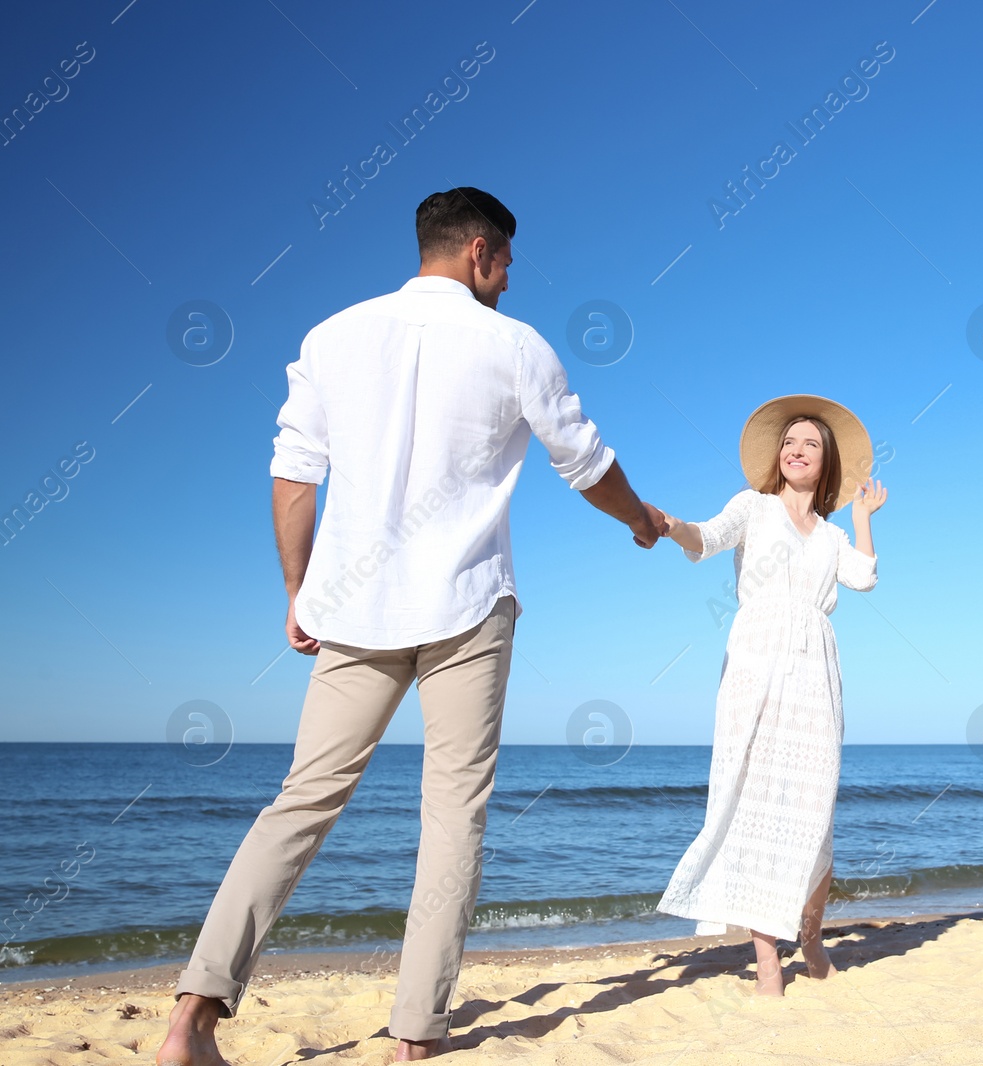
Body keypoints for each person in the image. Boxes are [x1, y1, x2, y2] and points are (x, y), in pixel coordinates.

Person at [158, 187, 666, 1065]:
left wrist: (295, 590)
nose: (509, 279)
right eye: (506, 262)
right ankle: (415, 1039)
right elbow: (584, 461)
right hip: (469, 606)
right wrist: (638, 520)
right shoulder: (514, 344)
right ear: (479, 252)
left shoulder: (331, 335)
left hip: (353, 608)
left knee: (300, 805)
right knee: (453, 816)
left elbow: (292, 473)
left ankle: (191, 1021)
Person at [655, 395, 887, 996]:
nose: (796, 450)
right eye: (789, 442)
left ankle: (809, 935)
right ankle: (766, 964)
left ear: (826, 459)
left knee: (814, 810)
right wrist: (667, 524)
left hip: (816, 669)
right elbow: (705, 538)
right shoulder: (753, 508)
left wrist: (864, 517)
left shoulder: (834, 534)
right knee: (755, 803)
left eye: (809, 442)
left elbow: (863, 577)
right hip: (756, 661)